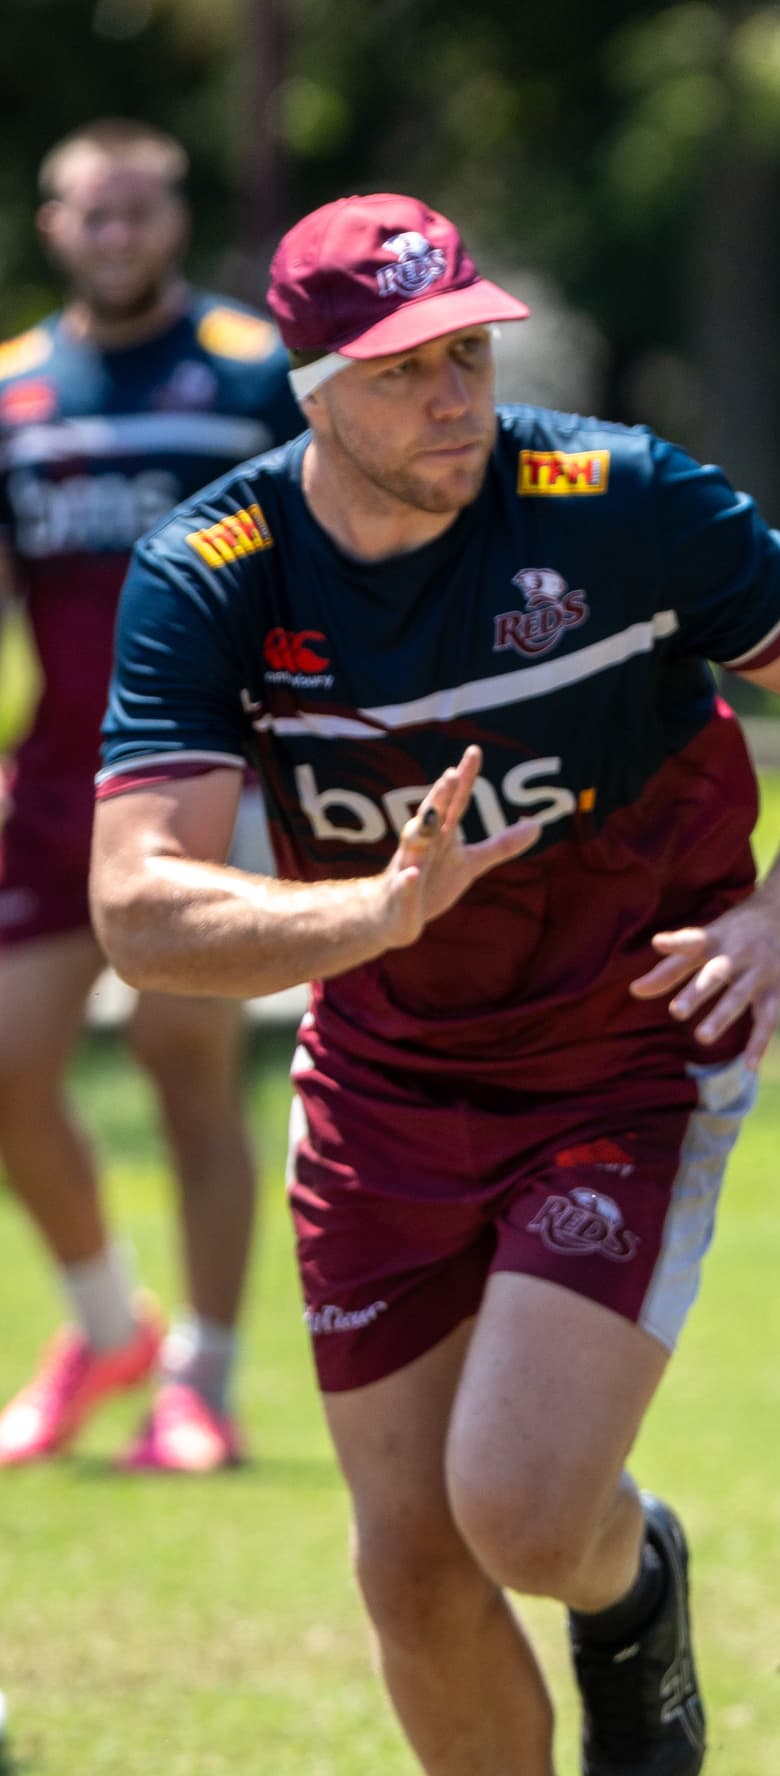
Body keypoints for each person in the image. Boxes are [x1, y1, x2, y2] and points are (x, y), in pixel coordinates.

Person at [88, 195, 780, 1776]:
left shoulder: (622, 499)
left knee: (524, 1510)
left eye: (473, 349)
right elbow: (138, 908)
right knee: (408, 1569)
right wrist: (367, 921)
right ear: (317, 390)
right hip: (384, 1073)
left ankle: (631, 1589)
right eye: (410, 370)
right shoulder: (213, 572)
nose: (462, 394)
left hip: (626, 1049)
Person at [0, 121, 300, 1471]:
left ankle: (208, 1384)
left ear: (171, 222)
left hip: (207, 776)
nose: (114, 234)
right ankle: (107, 1324)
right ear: (54, 225)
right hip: (59, 783)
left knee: (187, 1068)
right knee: (10, 1069)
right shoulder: (12, 388)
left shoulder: (251, 375)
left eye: (137, 212)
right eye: (90, 214)